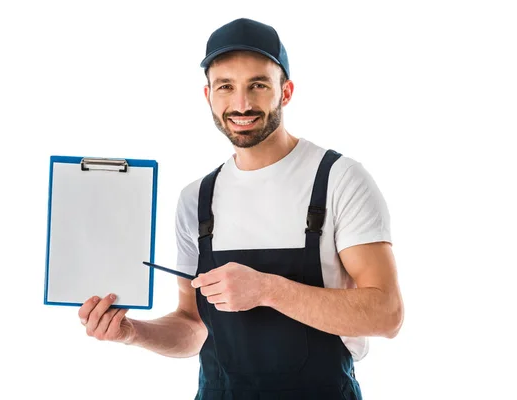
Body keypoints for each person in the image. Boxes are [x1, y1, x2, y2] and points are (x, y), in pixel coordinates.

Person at [78, 17, 404, 399]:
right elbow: (192, 325)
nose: (242, 103)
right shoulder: (196, 199)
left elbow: (387, 313)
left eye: (258, 85)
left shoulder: (338, 179)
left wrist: (267, 289)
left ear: (286, 91)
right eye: (226, 87)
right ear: (208, 96)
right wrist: (133, 333)